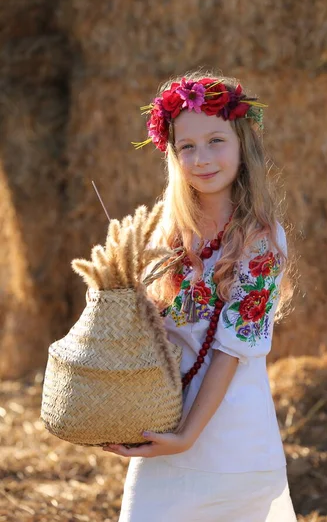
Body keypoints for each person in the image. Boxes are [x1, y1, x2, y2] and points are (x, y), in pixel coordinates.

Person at [103, 72, 297, 521]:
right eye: (186, 146)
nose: (202, 157)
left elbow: (229, 351)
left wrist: (188, 436)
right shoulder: (161, 237)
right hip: (164, 436)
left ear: (242, 145)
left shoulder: (261, 241)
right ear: (172, 156)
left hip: (233, 450)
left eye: (216, 140)